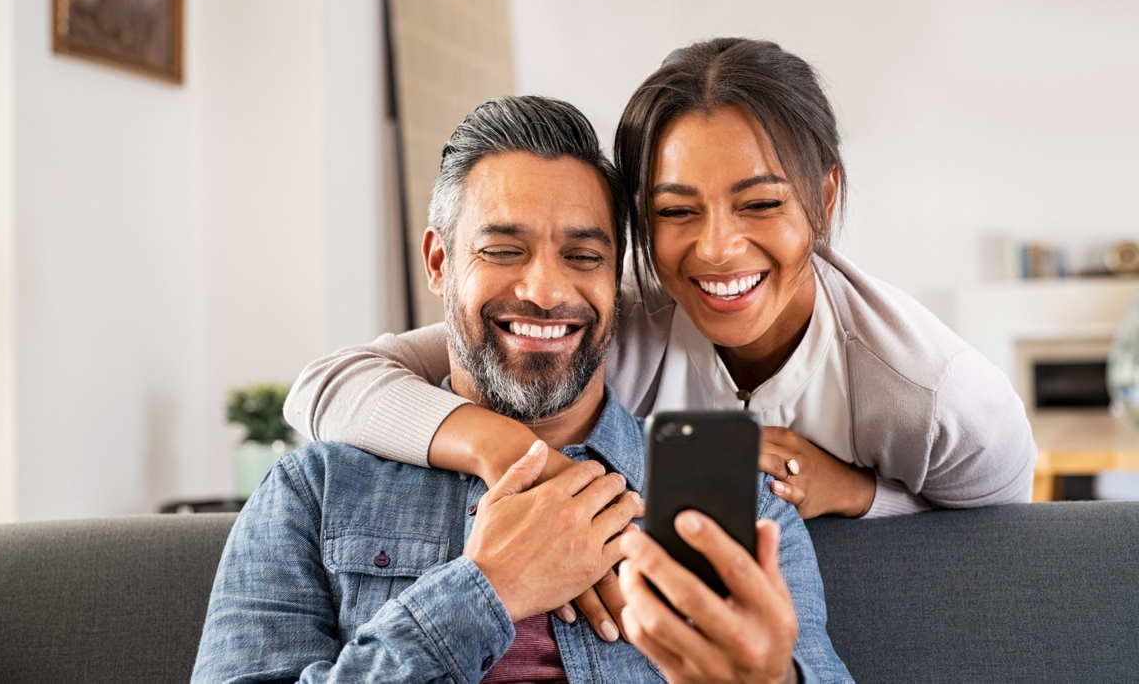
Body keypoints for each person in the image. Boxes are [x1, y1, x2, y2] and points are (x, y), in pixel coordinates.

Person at [284, 38, 1037, 643]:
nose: (716, 250)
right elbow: (329, 385)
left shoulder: (931, 391)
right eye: (677, 211)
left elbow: (1002, 528)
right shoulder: (614, 324)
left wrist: (857, 493)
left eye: (761, 202)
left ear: (824, 196)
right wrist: (519, 456)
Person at [193, 96, 851, 683]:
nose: (545, 291)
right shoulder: (314, 494)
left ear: (616, 277)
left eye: (584, 256)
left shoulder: (744, 502)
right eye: (504, 250)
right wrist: (482, 594)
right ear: (439, 263)